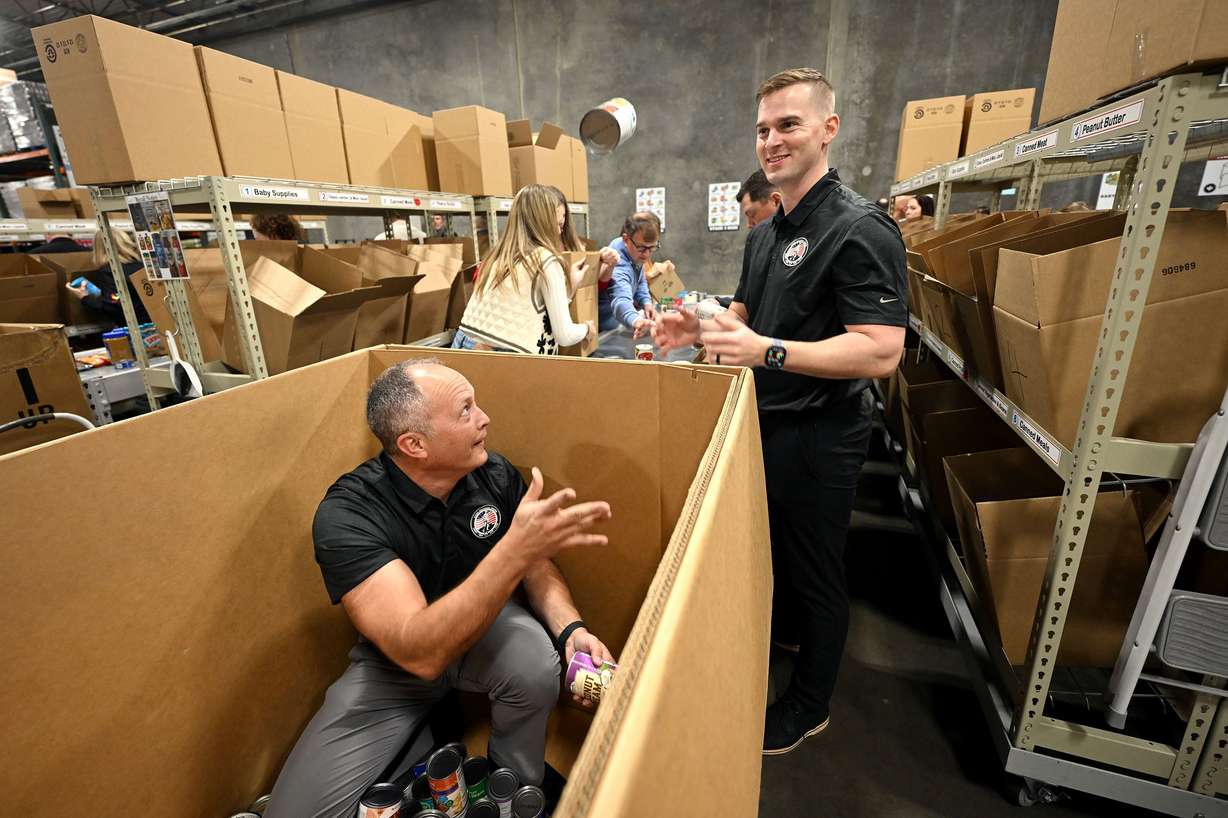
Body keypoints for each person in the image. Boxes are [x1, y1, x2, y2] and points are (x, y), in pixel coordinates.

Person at [653, 67, 907, 756]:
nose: (772, 140)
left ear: (829, 129)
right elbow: (743, 313)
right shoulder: (767, 231)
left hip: (823, 432)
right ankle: (781, 639)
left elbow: (881, 351)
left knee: (816, 569)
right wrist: (697, 330)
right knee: (776, 558)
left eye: (789, 124)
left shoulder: (859, 229)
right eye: (763, 128)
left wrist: (764, 352)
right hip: (764, 423)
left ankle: (809, 703)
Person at [263, 358, 613, 818]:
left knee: (532, 660)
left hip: (488, 630)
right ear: (414, 444)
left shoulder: (492, 474)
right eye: (466, 410)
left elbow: (537, 566)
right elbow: (418, 651)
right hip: (399, 662)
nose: (484, 418)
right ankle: (424, 744)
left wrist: (571, 631)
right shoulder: (349, 513)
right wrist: (514, 551)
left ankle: (514, 791)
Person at [451, 184, 594, 354]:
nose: (559, 231)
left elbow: (528, 309)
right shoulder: (547, 260)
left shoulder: (498, 255)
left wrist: (568, 288)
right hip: (504, 356)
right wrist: (586, 329)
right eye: (559, 224)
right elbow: (564, 335)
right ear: (543, 224)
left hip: (463, 344)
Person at [64, 229, 150, 325]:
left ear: (99, 249)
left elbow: (115, 306)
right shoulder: (141, 265)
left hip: (137, 326)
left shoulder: (109, 271)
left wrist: (84, 297)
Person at [597, 212, 659, 336]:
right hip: (608, 330)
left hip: (622, 321)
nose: (646, 255)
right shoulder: (617, 263)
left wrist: (646, 303)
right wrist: (636, 320)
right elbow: (621, 298)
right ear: (626, 239)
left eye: (652, 248)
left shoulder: (634, 254)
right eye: (642, 248)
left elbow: (640, 281)